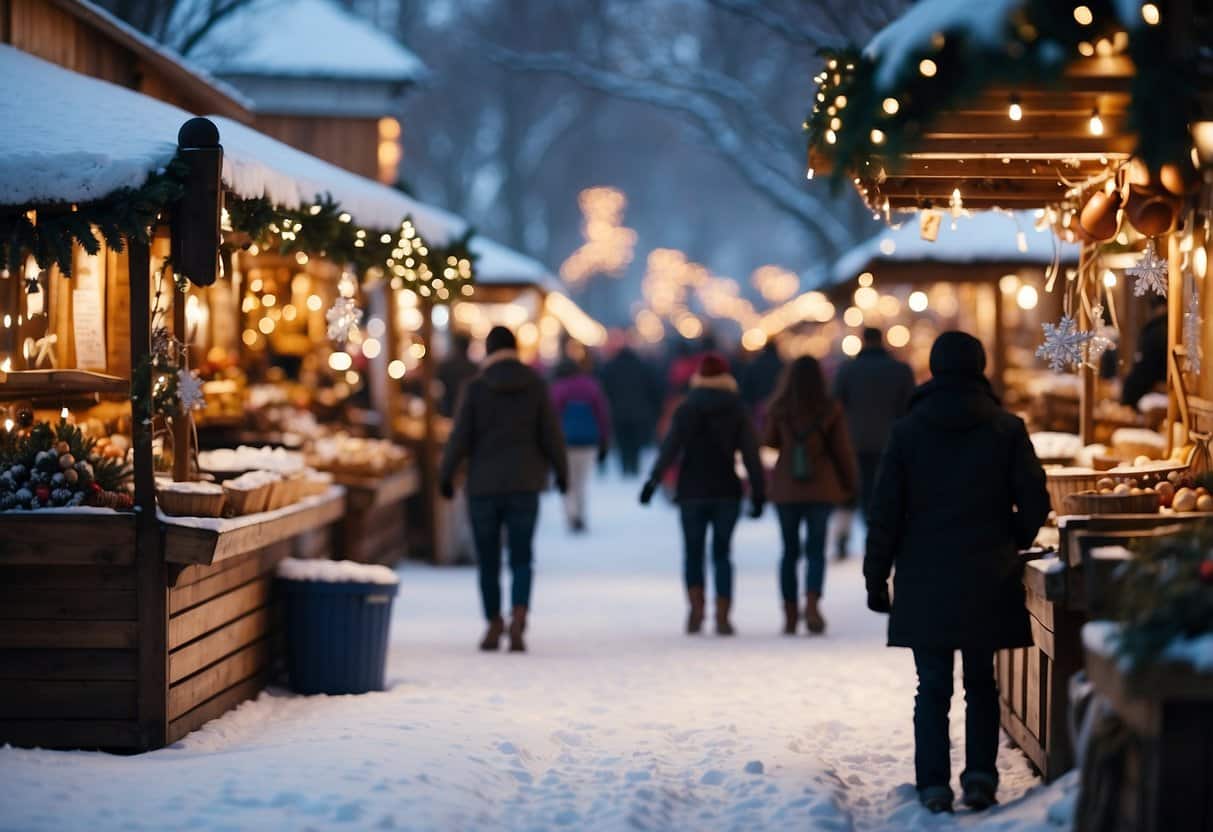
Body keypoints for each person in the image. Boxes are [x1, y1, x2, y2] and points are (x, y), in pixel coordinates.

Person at [863, 331, 1050, 815]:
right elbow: (1035, 500)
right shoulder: (1007, 428)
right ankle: (981, 777)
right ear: (980, 367)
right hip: (987, 571)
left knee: (932, 686)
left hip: (924, 575)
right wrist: (1011, 540)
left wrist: (875, 576)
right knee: (983, 683)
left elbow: (885, 511)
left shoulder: (907, 432)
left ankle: (933, 786)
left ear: (934, 369)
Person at [438, 326, 569, 653]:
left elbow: (460, 437)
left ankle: (494, 622)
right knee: (522, 556)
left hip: (483, 485)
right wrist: (561, 472)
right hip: (526, 483)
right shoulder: (536, 385)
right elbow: (551, 434)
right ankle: (519, 617)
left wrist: (446, 474)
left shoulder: (476, 388)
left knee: (488, 559)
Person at [638, 352, 765, 636]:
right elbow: (751, 455)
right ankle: (722, 615)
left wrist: (653, 481)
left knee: (693, 553)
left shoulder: (686, 408)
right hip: (726, 490)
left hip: (691, 490)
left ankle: (696, 610)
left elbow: (670, 448)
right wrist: (758, 492)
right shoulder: (737, 409)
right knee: (723, 554)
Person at [763, 356, 858, 635]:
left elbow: (769, 442)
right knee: (816, 551)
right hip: (821, 488)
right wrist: (850, 484)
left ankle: (790, 614)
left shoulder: (779, 409)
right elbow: (842, 451)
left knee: (789, 552)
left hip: (786, 490)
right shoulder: (830, 409)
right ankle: (813, 605)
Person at [832, 326, 915, 559]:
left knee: (851, 491)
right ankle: (884, 539)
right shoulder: (900, 370)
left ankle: (843, 537)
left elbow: (836, 404)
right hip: (891, 440)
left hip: (853, 441)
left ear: (863, 341)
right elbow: (910, 406)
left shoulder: (847, 370)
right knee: (886, 492)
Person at [550, 356, 611, 532]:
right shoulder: (591, 386)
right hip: (588, 442)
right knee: (581, 482)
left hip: (565, 442)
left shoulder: (558, 388)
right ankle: (581, 515)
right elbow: (602, 414)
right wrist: (604, 439)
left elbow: (552, 417)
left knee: (567, 481)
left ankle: (572, 515)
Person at [599, 340, 663, 476]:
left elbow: (604, 390)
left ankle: (625, 467)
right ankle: (634, 466)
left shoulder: (611, 367)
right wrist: (654, 410)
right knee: (635, 441)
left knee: (623, 441)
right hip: (639, 412)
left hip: (617, 411)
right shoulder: (643, 367)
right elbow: (654, 389)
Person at [1121, 294, 1168, 408]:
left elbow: (1146, 366)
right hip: (1155, 381)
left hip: (1153, 384)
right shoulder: (1163, 328)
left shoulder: (1155, 330)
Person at [740, 340, 784, 430]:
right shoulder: (782, 366)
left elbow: (746, 389)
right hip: (776, 409)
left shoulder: (753, 365)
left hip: (757, 408)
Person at [436, 333, 478, 419]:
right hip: (468, 413)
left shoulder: (445, 366)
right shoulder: (474, 368)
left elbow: (437, 389)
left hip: (447, 411)